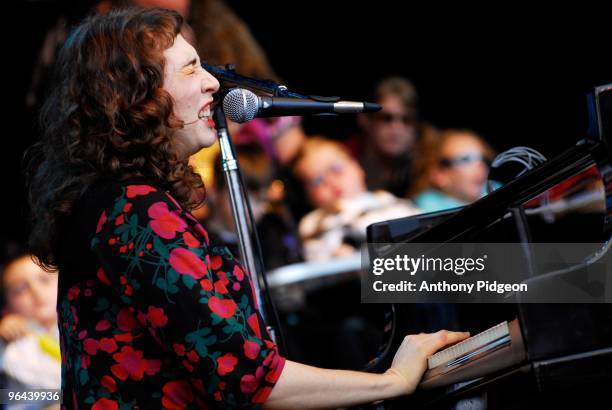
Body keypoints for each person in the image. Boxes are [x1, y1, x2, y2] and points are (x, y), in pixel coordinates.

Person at [26, 8, 469, 409]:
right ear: (137, 96)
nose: (213, 83)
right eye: (191, 68)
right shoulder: (135, 210)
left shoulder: (115, 203)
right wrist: (394, 380)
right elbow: (248, 379)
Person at [292, 137, 421, 262]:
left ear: (357, 166)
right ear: (309, 196)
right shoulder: (314, 223)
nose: (331, 182)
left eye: (336, 168)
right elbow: (317, 254)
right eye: (317, 181)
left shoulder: (389, 201)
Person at [350, 76, 437, 197]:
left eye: (407, 120)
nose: (397, 129)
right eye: (386, 118)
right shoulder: (343, 160)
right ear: (364, 120)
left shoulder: (432, 167)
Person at [0, 253, 61, 394]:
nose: (36, 291)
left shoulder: (83, 329)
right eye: (20, 289)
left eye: (45, 280)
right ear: (6, 308)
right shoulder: (11, 346)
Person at [410, 129, 495, 213]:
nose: (481, 165)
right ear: (438, 175)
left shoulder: (495, 191)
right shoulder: (421, 211)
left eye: (483, 158)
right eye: (466, 159)